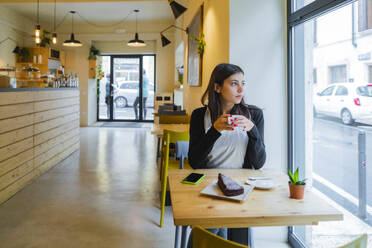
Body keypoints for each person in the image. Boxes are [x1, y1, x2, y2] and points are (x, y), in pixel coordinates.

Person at [187, 63, 266, 247]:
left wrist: (252, 131)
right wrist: (214, 130)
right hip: (208, 186)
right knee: (211, 230)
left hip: (241, 186)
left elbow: (259, 163)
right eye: (234, 83)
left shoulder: (254, 115)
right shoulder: (200, 116)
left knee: (226, 233)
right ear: (217, 87)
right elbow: (194, 162)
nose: (241, 89)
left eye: (243, 83)